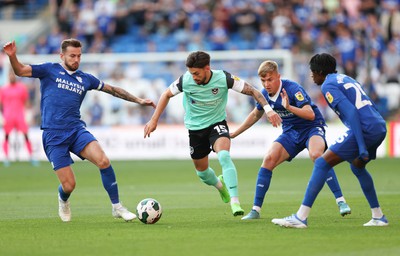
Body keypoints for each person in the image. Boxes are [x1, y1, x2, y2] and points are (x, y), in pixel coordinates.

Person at [2, 39, 156, 222]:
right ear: (62, 56)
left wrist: (138, 101)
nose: (76, 59)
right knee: (69, 185)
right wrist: (12, 56)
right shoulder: (49, 70)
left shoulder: (86, 79)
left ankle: (117, 206)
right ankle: (63, 199)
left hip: (76, 130)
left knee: (103, 160)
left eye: (79, 56)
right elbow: (20, 70)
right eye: (72, 56)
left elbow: (113, 90)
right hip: (53, 134)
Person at [144, 51, 282, 216]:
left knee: (224, 156)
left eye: (196, 73)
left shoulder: (224, 78)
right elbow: (166, 94)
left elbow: (253, 91)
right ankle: (220, 185)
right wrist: (154, 120)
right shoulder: (185, 80)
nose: (193, 76)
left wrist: (268, 109)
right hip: (195, 129)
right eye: (191, 73)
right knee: (202, 173)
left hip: (217, 124)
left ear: (207, 68)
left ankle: (235, 202)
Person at [272, 53, 389, 228]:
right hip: (379, 125)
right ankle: (378, 216)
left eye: (313, 72)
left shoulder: (328, 84)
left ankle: (300, 217)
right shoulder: (345, 78)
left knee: (321, 163)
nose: (312, 76)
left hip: (364, 129)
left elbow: (351, 112)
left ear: (320, 72)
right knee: (357, 166)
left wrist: (362, 145)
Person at [231, 60, 351, 220]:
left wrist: (289, 107)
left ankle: (341, 201)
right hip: (291, 132)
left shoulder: (293, 88)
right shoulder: (264, 94)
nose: (266, 84)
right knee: (268, 159)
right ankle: (255, 210)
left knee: (317, 156)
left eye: (270, 79)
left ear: (278, 77)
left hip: (312, 128)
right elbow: (255, 114)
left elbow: (310, 114)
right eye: (263, 80)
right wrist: (234, 134)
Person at [0, 71, 37, 167]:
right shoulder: (4, 89)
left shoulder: (21, 88)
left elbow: (26, 101)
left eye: (13, 75)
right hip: (8, 116)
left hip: (20, 115)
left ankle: (31, 156)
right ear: (8, 77)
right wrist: (1, 116)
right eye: (10, 75)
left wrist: (28, 114)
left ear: (15, 76)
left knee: (26, 136)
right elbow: (1, 104)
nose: (12, 77)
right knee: (7, 137)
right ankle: (6, 158)